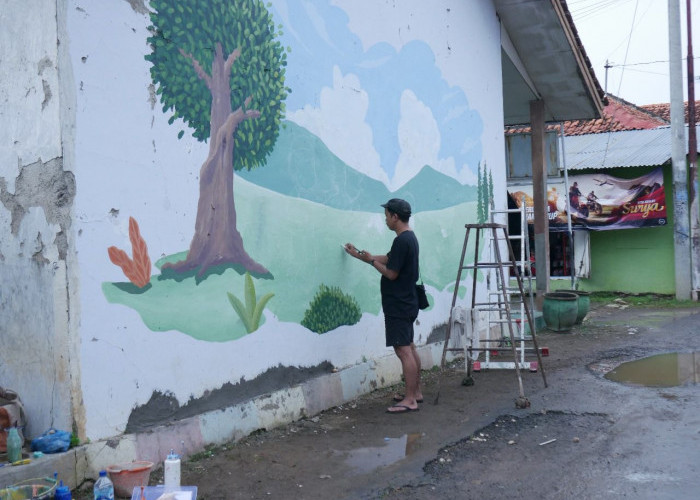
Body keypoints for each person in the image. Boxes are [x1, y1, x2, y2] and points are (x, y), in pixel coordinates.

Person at [344, 198, 422, 414]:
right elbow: (390, 259)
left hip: (399, 303)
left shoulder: (402, 241)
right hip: (408, 300)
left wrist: (370, 262)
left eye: (387, 215)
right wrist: (360, 255)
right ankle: (415, 393)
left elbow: (391, 273)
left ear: (395, 216)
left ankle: (410, 400)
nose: (385, 219)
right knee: (410, 346)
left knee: (403, 349)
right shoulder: (409, 238)